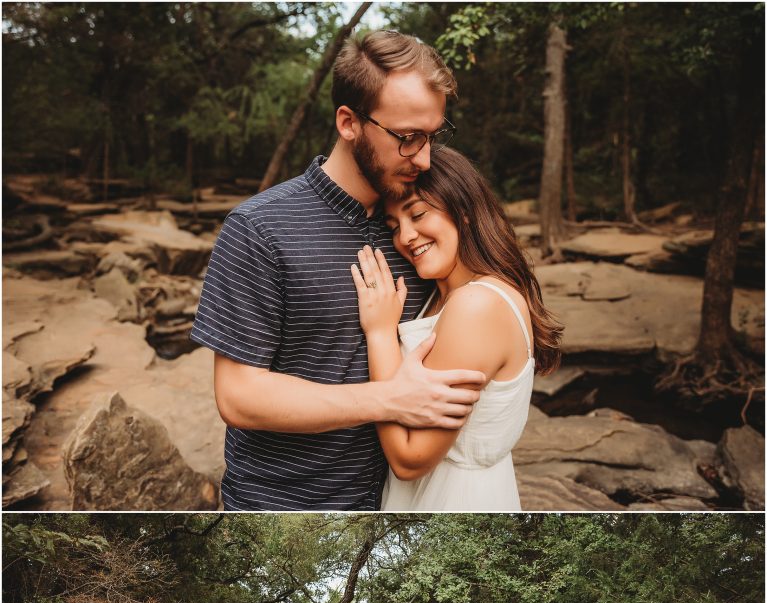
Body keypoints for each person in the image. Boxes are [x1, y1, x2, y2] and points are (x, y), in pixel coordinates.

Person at [190, 31, 487, 510]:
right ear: (349, 123)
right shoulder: (260, 228)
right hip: (282, 512)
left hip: (397, 508)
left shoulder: (422, 228)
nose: (424, 157)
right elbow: (239, 397)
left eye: (432, 135)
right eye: (407, 138)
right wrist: (388, 399)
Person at [350, 147, 563, 511]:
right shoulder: (449, 295)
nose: (406, 237)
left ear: (463, 210)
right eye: (394, 226)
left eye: (418, 214)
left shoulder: (476, 306)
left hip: (452, 499)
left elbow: (409, 459)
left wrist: (380, 333)